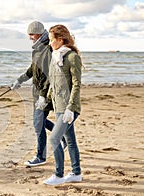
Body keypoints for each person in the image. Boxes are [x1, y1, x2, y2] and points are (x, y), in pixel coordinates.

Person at [11, 21, 55, 167]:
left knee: (38, 124)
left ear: (39, 33)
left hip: (45, 94)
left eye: (31, 34)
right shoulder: (37, 49)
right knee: (40, 122)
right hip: (37, 94)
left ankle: (40, 157)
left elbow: (49, 75)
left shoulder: (47, 49)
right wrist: (20, 80)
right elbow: (33, 69)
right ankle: (64, 135)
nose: (30, 37)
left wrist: (43, 96)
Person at [43, 24, 82, 185]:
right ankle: (76, 173)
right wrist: (45, 99)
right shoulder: (55, 56)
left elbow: (77, 84)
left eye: (52, 40)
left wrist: (71, 108)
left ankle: (58, 176)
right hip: (58, 106)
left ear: (60, 39)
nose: (50, 43)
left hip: (69, 108)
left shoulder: (72, 57)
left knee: (53, 139)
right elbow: (54, 82)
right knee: (70, 141)